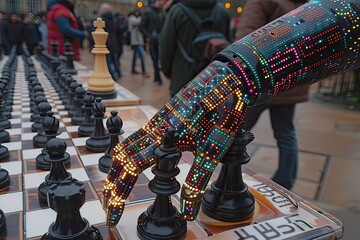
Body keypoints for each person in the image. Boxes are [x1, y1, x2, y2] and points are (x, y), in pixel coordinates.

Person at [237, 0, 309, 190]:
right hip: (291, 79)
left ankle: (225, 178)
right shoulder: (307, 5)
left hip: (261, 80)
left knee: (233, 131)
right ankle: (285, 181)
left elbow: (246, 38)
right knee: (286, 134)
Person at [159, 0, 231, 96]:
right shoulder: (222, 12)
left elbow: (166, 46)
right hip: (215, 81)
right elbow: (230, 48)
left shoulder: (177, 11)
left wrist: (167, 71)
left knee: (181, 109)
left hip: (184, 81)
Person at [140, 0, 165, 85]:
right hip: (153, 40)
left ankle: (156, 77)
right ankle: (158, 78)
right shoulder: (148, 12)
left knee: (159, 59)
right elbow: (142, 26)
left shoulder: (162, 12)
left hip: (161, 40)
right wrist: (149, 36)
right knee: (155, 59)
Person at [99, 2, 121, 81]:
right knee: (114, 60)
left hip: (106, 42)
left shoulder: (102, 19)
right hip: (114, 42)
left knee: (108, 62)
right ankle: (118, 73)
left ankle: (112, 76)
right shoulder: (113, 19)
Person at [128, 9, 149, 77]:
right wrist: (143, 17)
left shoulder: (139, 18)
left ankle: (133, 69)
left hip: (140, 40)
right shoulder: (131, 18)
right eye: (136, 12)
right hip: (135, 41)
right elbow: (137, 22)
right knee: (142, 56)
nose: (137, 13)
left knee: (135, 56)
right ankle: (144, 71)